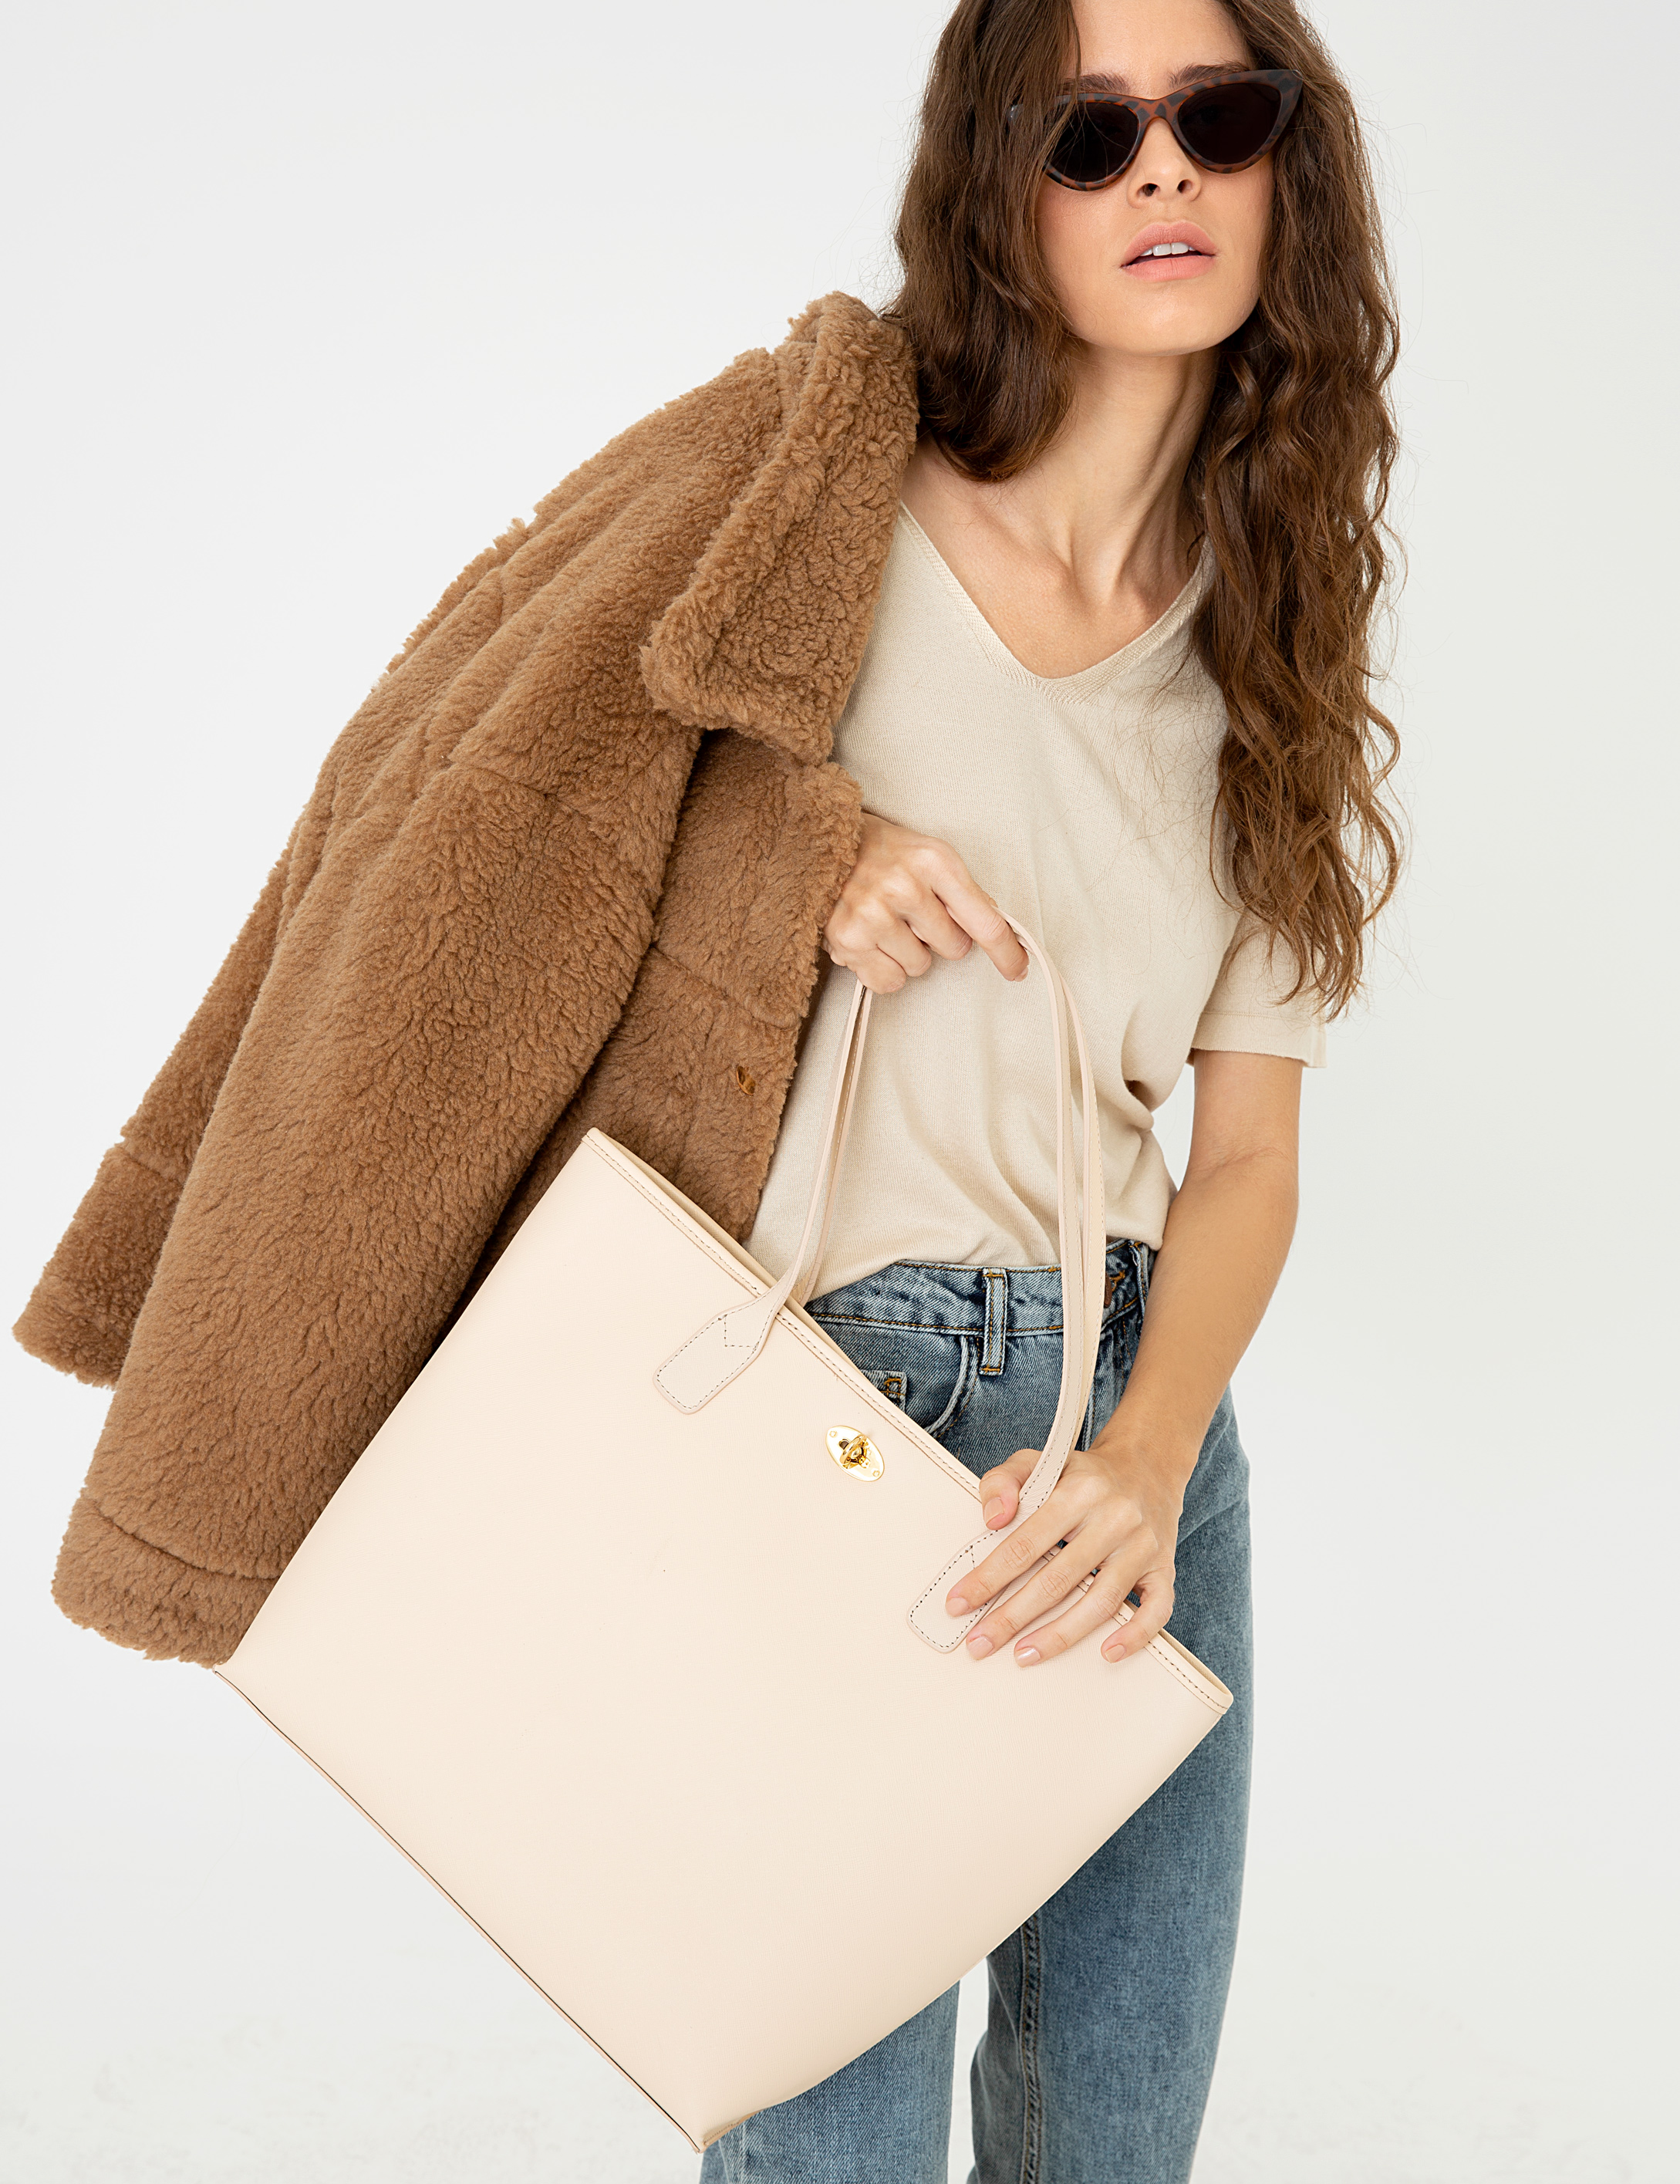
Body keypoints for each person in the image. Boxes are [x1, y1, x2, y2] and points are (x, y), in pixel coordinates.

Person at [15, 0, 1399, 2176]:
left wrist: (1147, 1459)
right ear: (998, 184)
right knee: (830, 2147)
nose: (1162, 170)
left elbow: (1246, 1156)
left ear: (1284, 169)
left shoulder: (1281, 633)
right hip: (817, 1392)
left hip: (1138, 1443)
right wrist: (798, 857)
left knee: (1115, 2146)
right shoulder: (807, 479)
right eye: (1089, 132)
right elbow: (480, 779)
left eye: (1218, 116)